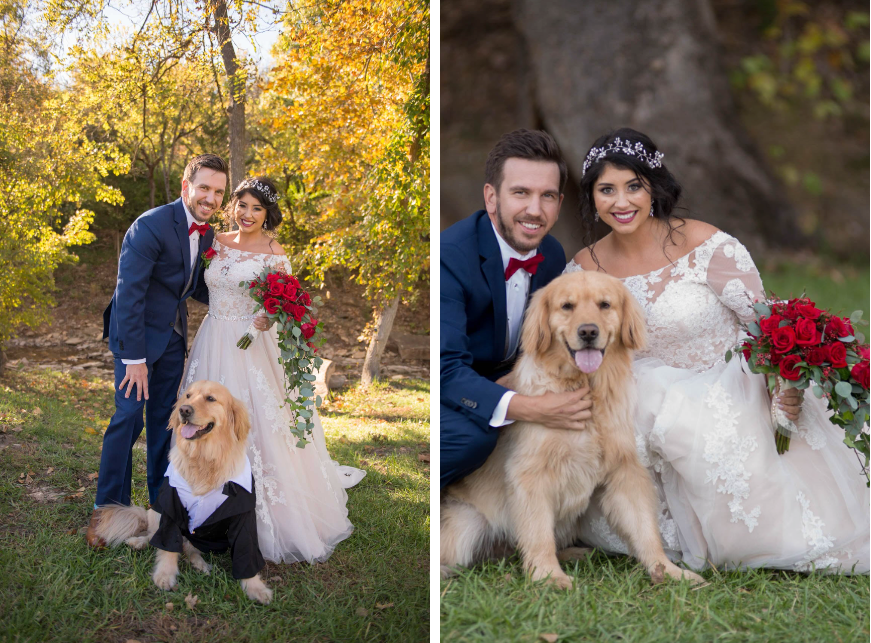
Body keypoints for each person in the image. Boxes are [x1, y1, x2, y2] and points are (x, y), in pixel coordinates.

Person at [565, 128, 869, 573]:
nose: (621, 202)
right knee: (646, 408)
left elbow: (764, 323)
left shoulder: (703, 245)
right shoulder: (584, 265)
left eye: (633, 186)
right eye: (606, 190)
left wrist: (780, 384)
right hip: (636, 393)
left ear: (655, 186)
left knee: (701, 430)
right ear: (592, 196)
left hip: (730, 383)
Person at [180, 176, 365, 564]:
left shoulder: (274, 252)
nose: (247, 214)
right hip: (213, 337)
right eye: (242, 206)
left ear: (268, 214)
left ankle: (264, 510)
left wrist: (267, 316)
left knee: (259, 423)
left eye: (257, 208)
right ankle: (201, 501)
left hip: (251, 346)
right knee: (201, 418)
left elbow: (282, 303)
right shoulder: (216, 242)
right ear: (233, 206)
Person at [440, 129, 594, 488]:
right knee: (471, 440)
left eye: (548, 196)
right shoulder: (451, 257)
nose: (535, 210)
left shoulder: (552, 253)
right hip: (454, 386)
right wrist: (531, 407)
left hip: (510, 378)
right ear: (492, 197)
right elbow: (445, 369)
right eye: (521, 193)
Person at [87, 154, 226, 548]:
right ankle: (106, 510)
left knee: (168, 426)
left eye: (218, 192)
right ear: (187, 186)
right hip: (137, 339)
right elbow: (128, 293)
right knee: (129, 418)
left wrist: (244, 297)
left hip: (173, 341)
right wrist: (134, 360)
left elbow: (195, 287)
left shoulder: (209, 235)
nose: (211, 198)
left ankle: (160, 507)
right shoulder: (150, 225)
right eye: (204, 188)